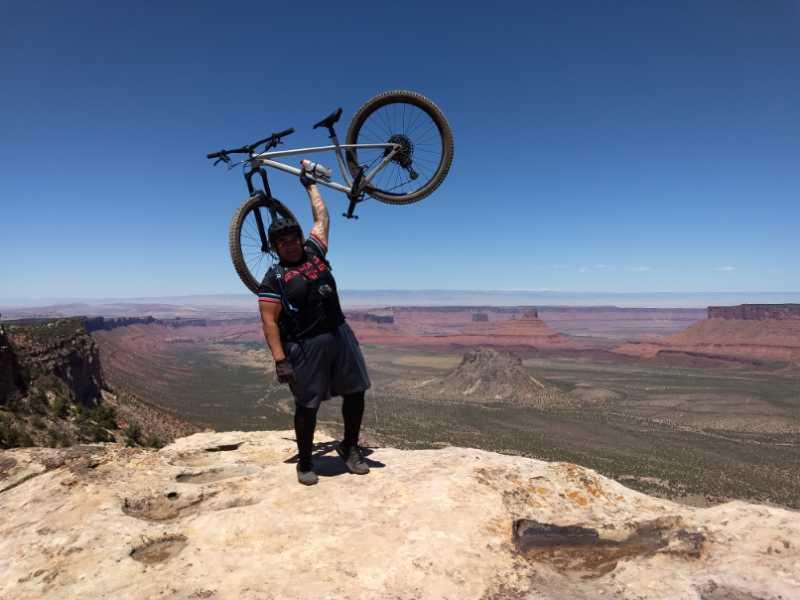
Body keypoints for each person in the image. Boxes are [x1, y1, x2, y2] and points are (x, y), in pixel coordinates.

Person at [257, 163, 372, 485]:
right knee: (307, 405)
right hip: (305, 345)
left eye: (293, 237)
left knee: (356, 392)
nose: (291, 243)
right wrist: (280, 360)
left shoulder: (315, 253)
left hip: (339, 333)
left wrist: (310, 186)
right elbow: (269, 321)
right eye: (283, 241)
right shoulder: (274, 277)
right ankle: (305, 461)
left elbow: (322, 219)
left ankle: (349, 447)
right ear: (276, 247)